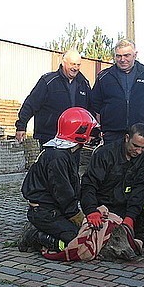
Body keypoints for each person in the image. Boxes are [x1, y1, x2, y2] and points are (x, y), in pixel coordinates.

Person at [18, 107, 99, 253]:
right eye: (91, 133)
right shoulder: (58, 158)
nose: (93, 137)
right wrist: (75, 215)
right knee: (78, 240)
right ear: (79, 133)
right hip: (44, 212)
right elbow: (62, 190)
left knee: (84, 235)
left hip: (52, 209)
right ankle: (36, 237)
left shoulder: (62, 153)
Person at [80, 123, 144, 251]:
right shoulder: (105, 154)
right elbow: (89, 184)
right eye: (135, 146)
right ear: (127, 138)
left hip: (129, 203)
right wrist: (91, 210)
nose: (139, 151)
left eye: (143, 147)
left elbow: (141, 188)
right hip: (107, 204)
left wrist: (131, 217)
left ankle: (140, 233)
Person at [88, 39, 144, 145]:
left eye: (126, 55)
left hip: (140, 132)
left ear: (135, 55)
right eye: (118, 56)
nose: (122, 59)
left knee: (139, 161)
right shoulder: (104, 77)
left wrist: (142, 111)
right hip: (113, 133)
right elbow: (96, 102)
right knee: (112, 161)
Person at [15, 49, 91, 146]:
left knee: (71, 161)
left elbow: (90, 109)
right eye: (72, 64)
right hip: (50, 136)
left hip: (75, 138)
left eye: (78, 65)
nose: (75, 68)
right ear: (63, 63)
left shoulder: (84, 84)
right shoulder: (48, 81)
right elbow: (31, 103)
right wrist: (21, 126)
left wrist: (92, 132)